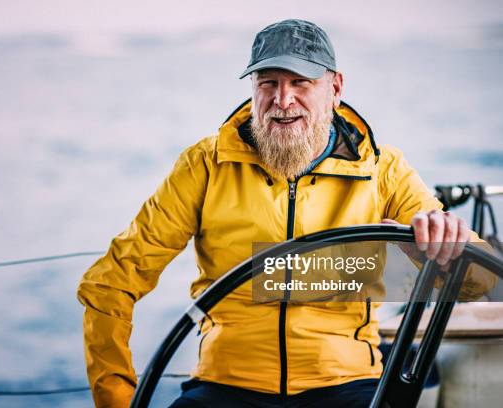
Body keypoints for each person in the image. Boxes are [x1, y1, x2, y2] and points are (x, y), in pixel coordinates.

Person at [77, 19, 494, 407]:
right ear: (253, 88)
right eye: (268, 82)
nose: (282, 99)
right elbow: (111, 284)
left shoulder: (383, 171)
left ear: (335, 88)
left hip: (345, 383)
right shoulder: (205, 166)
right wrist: (117, 400)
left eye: (301, 82)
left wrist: (436, 245)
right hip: (226, 384)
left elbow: (479, 280)